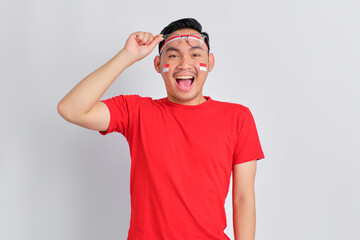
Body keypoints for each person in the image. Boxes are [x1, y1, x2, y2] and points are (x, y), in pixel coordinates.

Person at [58, 18, 265, 240]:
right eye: (174, 55)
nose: (185, 64)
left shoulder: (237, 117)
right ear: (158, 64)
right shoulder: (136, 111)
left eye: (195, 54)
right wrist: (127, 56)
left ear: (210, 62)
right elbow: (71, 109)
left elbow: (243, 198)